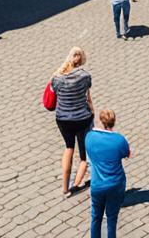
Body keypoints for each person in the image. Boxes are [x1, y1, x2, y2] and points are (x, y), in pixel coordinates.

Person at [51, 47, 94, 196]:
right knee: (83, 155)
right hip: (82, 118)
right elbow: (88, 98)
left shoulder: (57, 78)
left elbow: (54, 92)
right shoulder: (85, 76)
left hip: (63, 119)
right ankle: (76, 184)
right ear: (81, 60)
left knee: (69, 147)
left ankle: (65, 187)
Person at [86, 108, 131, 238]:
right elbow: (127, 153)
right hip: (115, 184)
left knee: (96, 217)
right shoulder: (119, 140)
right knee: (111, 219)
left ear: (100, 121)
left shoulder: (89, 137)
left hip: (97, 184)